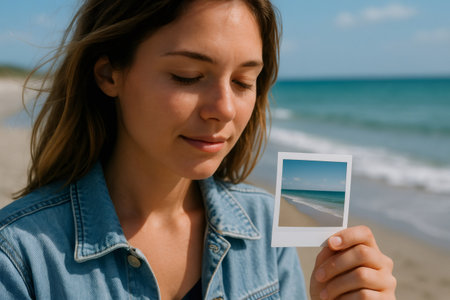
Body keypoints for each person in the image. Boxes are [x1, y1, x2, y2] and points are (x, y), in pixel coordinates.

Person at [0, 0, 396, 299]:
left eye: (243, 81)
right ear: (109, 74)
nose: (224, 109)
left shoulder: (260, 225)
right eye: (187, 76)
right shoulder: (18, 255)